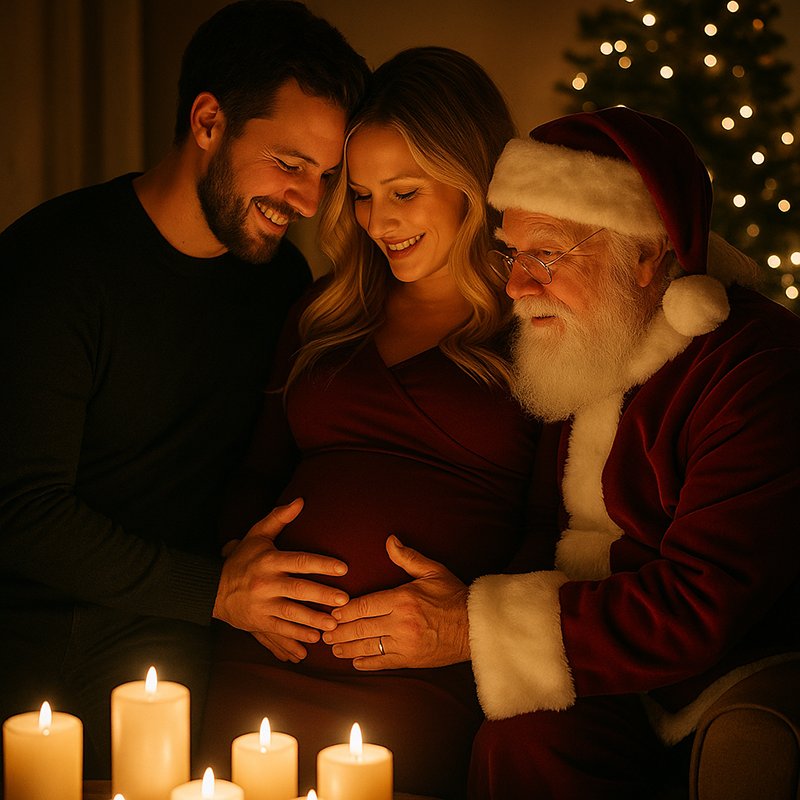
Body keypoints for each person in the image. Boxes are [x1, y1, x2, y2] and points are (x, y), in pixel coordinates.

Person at [329, 105, 800, 798]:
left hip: (708, 683)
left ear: (646, 254)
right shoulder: (590, 340)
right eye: (511, 253)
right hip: (600, 672)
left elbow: (703, 602)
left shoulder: (756, 370)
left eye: (546, 255)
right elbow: (541, 530)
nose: (517, 286)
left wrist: (471, 629)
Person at [0, 0, 368, 778]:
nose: (308, 201)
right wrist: (216, 591)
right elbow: (20, 510)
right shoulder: (53, 265)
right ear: (207, 122)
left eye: (325, 176)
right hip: (38, 639)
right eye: (289, 162)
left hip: (188, 637)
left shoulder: (280, 283)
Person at [199, 47, 545, 798]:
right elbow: (256, 471)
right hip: (266, 659)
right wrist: (239, 565)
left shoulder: (536, 327)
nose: (379, 221)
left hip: (420, 680)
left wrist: (472, 625)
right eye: (360, 195)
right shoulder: (327, 310)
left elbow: (554, 525)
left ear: (473, 182)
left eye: (405, 192)